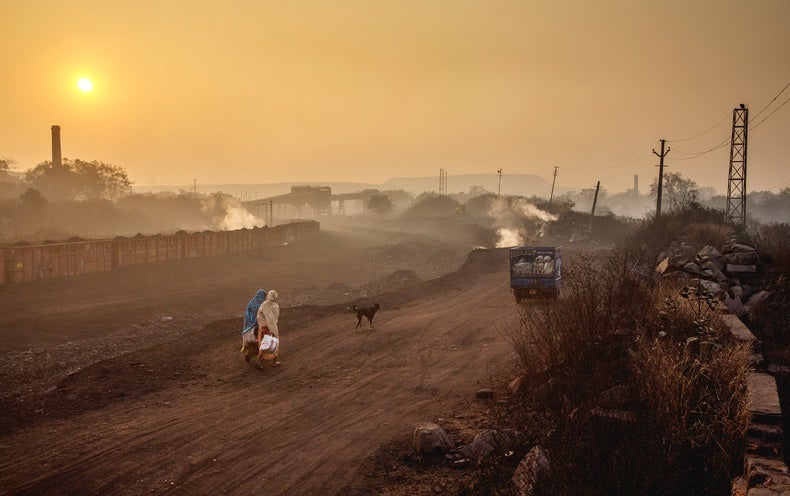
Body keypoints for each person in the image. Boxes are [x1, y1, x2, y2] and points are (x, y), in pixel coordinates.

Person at [241, 289, 266, 362]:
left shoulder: (251, 302)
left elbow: (247, 314)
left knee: (249, 341)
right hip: (255, 326)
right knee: (257, 340)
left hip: (248, 325)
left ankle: (248, 354)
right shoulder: (261, 303)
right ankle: (256, 358)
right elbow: (258, 315)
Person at [257, 289, 281, 364]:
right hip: (270, 328)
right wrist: (271, 328)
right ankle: (274, 361)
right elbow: (274, 318)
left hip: (262, 327)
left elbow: (259, 315)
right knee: (275, 343)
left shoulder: (263, 304)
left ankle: (258, 360)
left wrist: (263, 324)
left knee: (263, 344)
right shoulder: (275, 306)